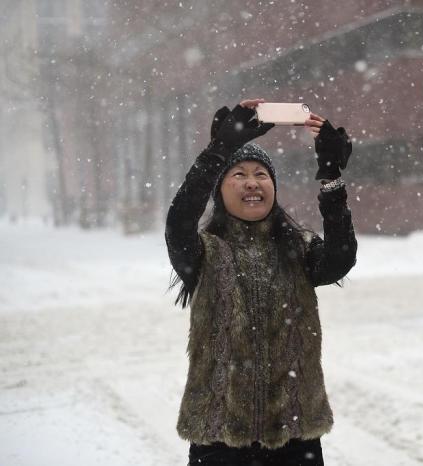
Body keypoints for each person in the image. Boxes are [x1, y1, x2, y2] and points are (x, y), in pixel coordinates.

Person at [165, 98, 357, 466]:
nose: (252, 182)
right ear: (219, 191)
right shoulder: (203, 252)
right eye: (239, 175)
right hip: (218, 439)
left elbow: (340, 258)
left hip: (296, 437)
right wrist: (220, 149)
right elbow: (179, 219)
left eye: (261, 174)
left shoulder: (298, 249)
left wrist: (331, 175)